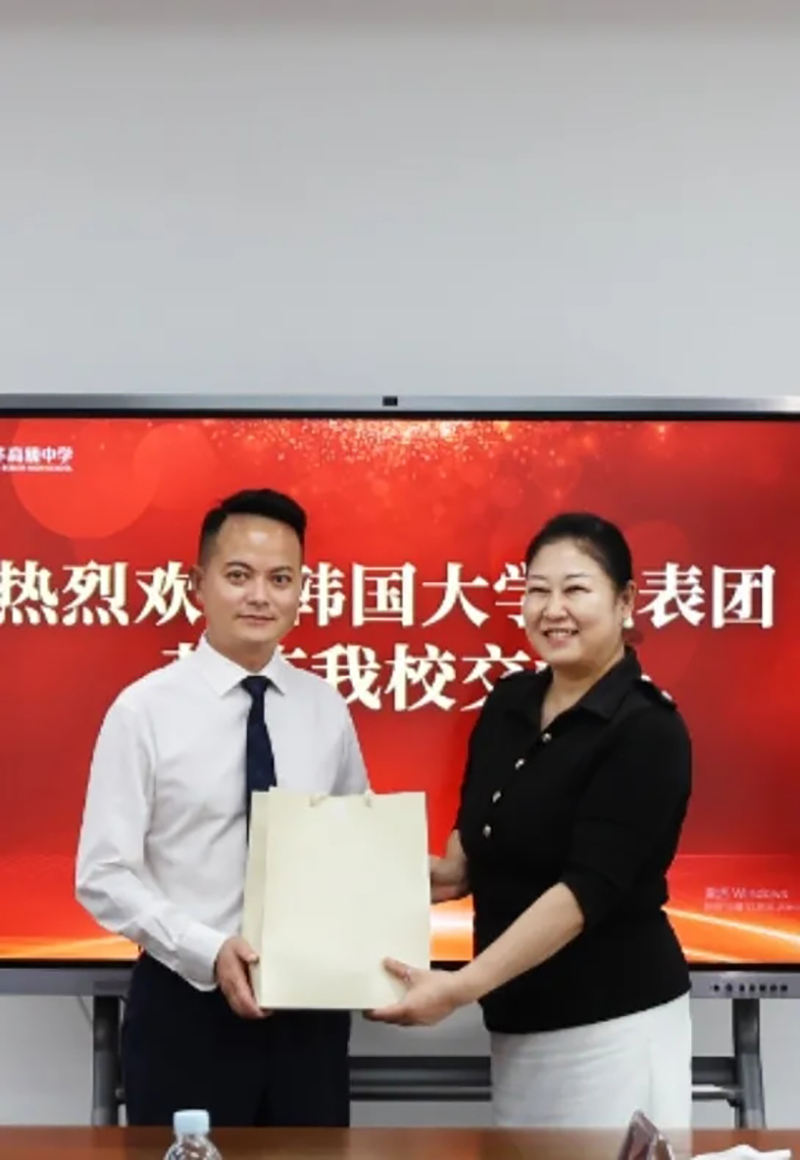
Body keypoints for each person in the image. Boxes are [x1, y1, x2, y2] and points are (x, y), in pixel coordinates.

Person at [372, 512, 693, 1130]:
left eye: (575, 589)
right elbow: (463, 864)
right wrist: (352, 883)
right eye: (537, 590)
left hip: (615, 1028)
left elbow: (582, 895)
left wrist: (457, 988)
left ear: (625, 600)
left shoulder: (647, 729)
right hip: (518, 1025)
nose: (552, 609)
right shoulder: (509, 703)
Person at [76, 488, 368, 1128]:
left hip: (309, 1015)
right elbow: (103, 874)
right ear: (198, 585)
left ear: (302, 591)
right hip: (186, 1006)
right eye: (239, 576)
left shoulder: (325, 709)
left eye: (280, 579)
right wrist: (207, 949)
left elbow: (354, 850)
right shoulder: (144, 710)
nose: (260, 596)